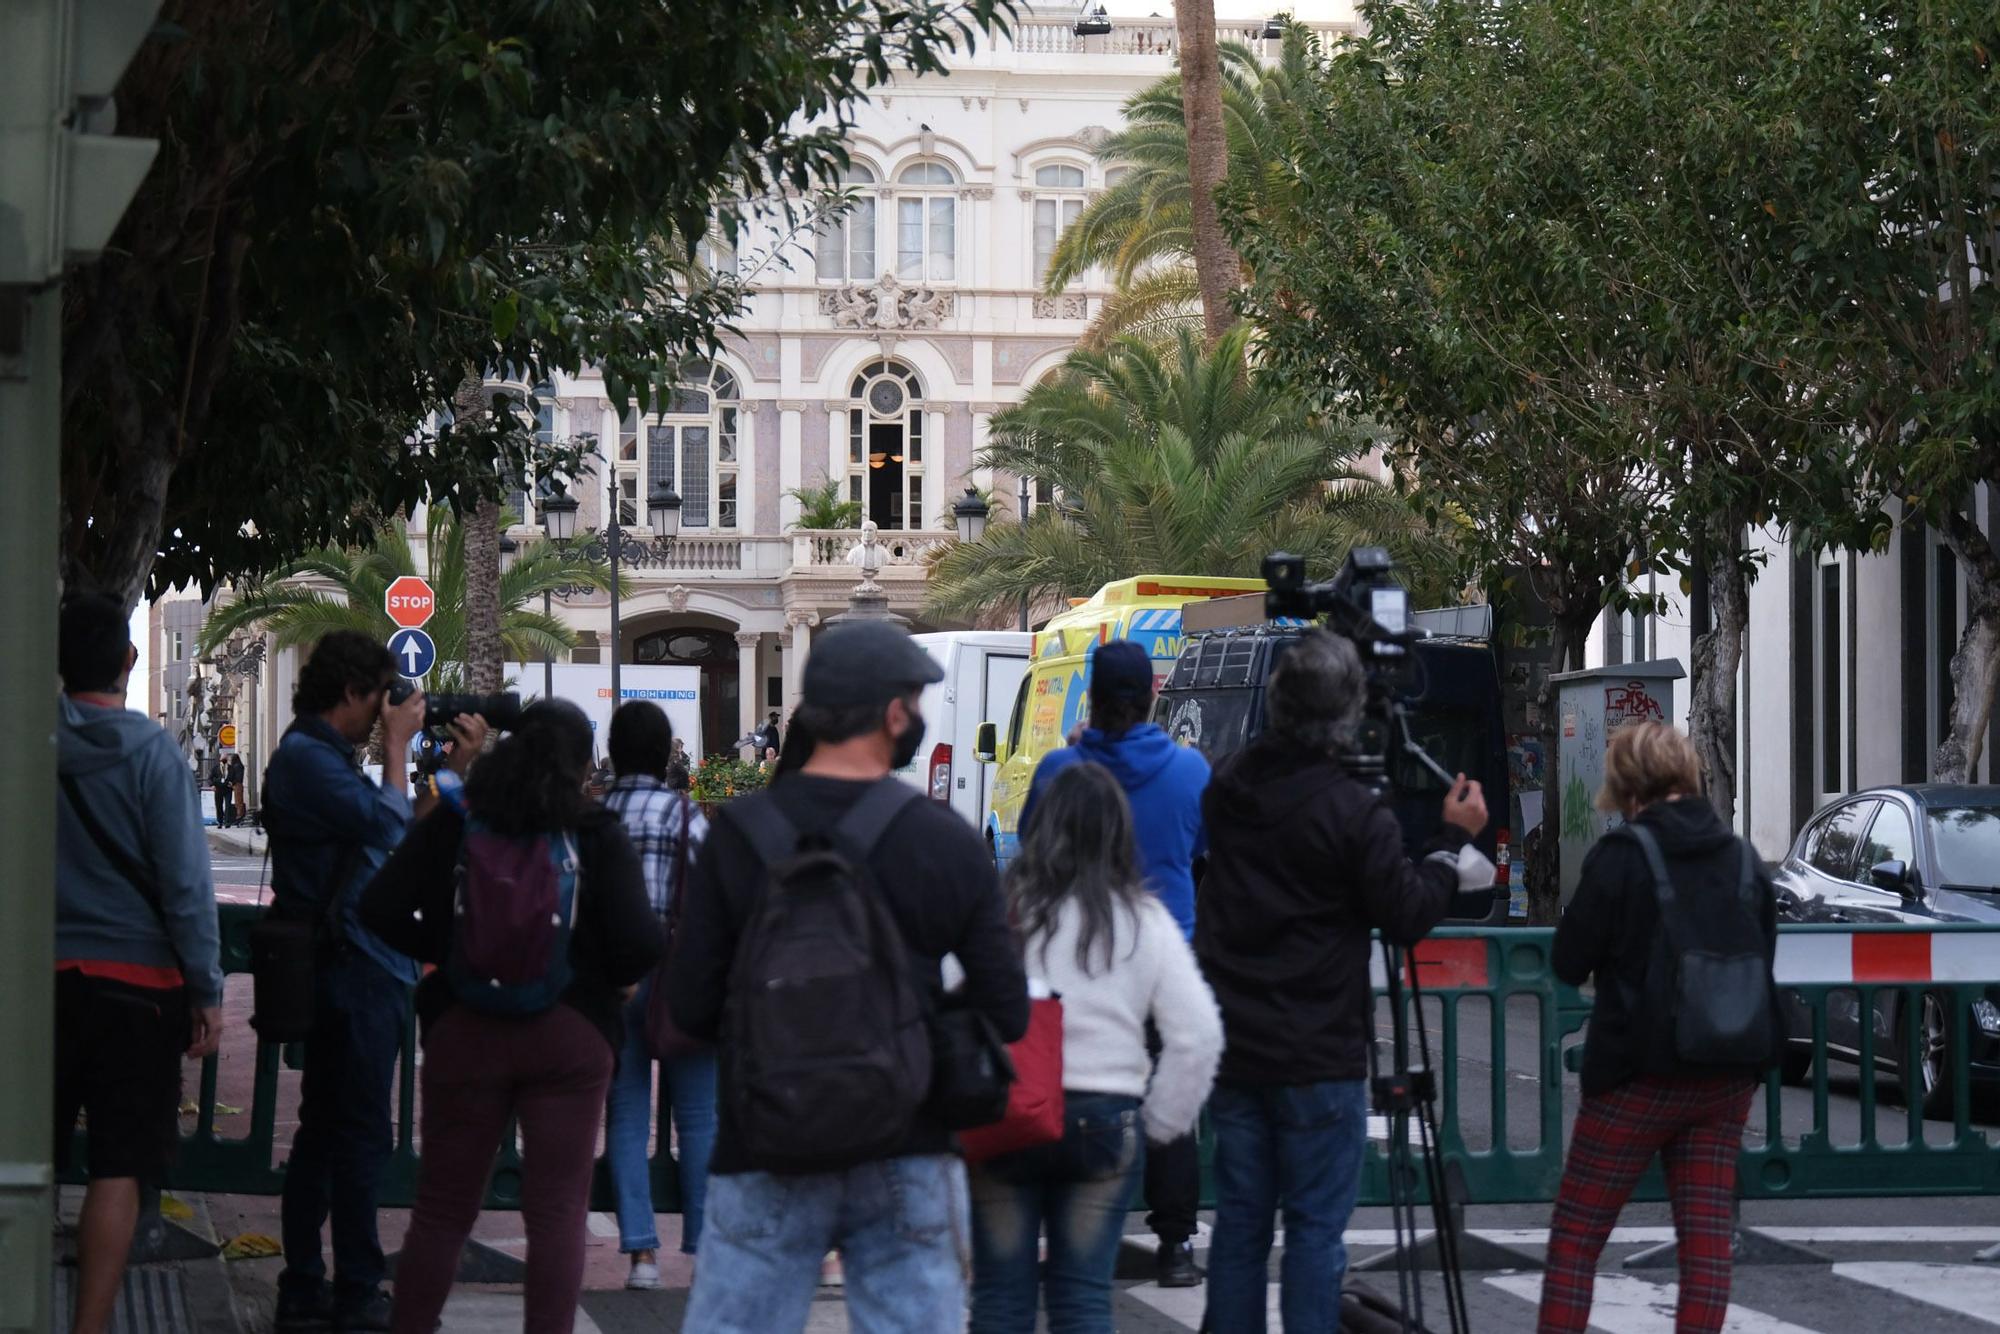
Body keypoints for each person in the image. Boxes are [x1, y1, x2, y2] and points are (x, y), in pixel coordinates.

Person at [668, 620, 1029, 1333]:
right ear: (895, 714)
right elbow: (1008, 1011)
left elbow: (691, 1005)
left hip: (764, 1139)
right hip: (909, 1140)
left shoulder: (738, 834)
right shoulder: (945, 841)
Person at [1196, 629, 1488, 1334]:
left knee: (1239, 1229)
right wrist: (1451, 845)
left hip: (1237, 1048)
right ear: (1347, 717)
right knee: (1314, 1235)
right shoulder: (1353, 809)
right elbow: (1407, 911)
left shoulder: (1228, 785)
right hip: (1318, 1051)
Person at [360, 700, 662, 1334]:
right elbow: (639, 942)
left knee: (442, 1208)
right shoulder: (594, 828)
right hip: (570, 1035)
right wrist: (604, 977)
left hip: (466, 1029)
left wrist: (448, 953)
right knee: (556, 1212)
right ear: (584, 764)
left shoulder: (462, 818)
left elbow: (381, 906)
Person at [261, 634, 484, 1332]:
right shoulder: (306, 760)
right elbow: (388, 822)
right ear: (353, 693)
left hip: (358, 964)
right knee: (354, 1136)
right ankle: (351, 1287)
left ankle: (308, 1285)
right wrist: (397, 749)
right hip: (350, 966)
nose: (386, 712)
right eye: (380, 699)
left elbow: (397, 831)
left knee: (331, 1132)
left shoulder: (323, 760)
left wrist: (454, 768)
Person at [1536, 722, 1777, 1334]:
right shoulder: (1744, 858)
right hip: (1724, 1077)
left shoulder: (1622, 857)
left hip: (1636, 1075)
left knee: (1577, 1239)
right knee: (1704, 1249)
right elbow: (1761, 954)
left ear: (1626, 785)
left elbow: (1569, 960)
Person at [970, 762, 1223, 1334]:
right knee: (1083, 1300)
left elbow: (962, 998)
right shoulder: (1143, 918)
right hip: (1105, 1115)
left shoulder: (1008, 909)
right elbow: (1199, 1034)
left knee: (1000, 1300)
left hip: (1007, 1109)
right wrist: (1161, 1122)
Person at [54, 593, 225, 1334]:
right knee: (118, 1166)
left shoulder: (31, 742)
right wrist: (206, 988)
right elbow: (186, 887)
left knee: (24, 1157)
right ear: (128, 661)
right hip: (140, 990)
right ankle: (90, 1325)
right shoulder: (154, 754)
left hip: (41, 987)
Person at [1018, 638, 1211, 1286]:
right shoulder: (1190, 772)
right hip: (1164, 952)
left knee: (1062, 1090)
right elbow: (1206, 851)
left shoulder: (1058, 770)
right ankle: (1176, 1244)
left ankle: (1060, 1227)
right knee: (1167, 1096)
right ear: (1153, 696)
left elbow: (1028, 839)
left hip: (1076, 955)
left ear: (1091, 700)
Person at [600, 700, 714, 1289]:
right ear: (665, 750)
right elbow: (713, 892)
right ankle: (699, 1253)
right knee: (697, 1117)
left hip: (615, 981)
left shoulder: (598, 816)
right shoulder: (684, 815)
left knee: (624, 1114)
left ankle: (641, 1255)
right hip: (679, 977)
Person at [209, 755, 231, 826]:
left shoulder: (231, 768)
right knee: (219, 806)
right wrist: (212, 785)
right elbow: (210, 778)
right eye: (223, 758)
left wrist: (233, 783)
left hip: (227, 789)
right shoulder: (215, 768)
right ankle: (220, 822)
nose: (224, 759)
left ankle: (227, 822)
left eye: (225, 758)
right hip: (218, 789)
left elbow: (234, 776)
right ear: (220, 759)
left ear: (227, 759)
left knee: (228, 806)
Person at [228, 752, 248, 826]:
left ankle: (239, 816)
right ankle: (239, 816)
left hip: (237, 785)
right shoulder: (240, 765)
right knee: (239, 801)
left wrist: (232, 783)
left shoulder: (236, 766)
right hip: (238, 784)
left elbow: (236, 777)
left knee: (238, 802)